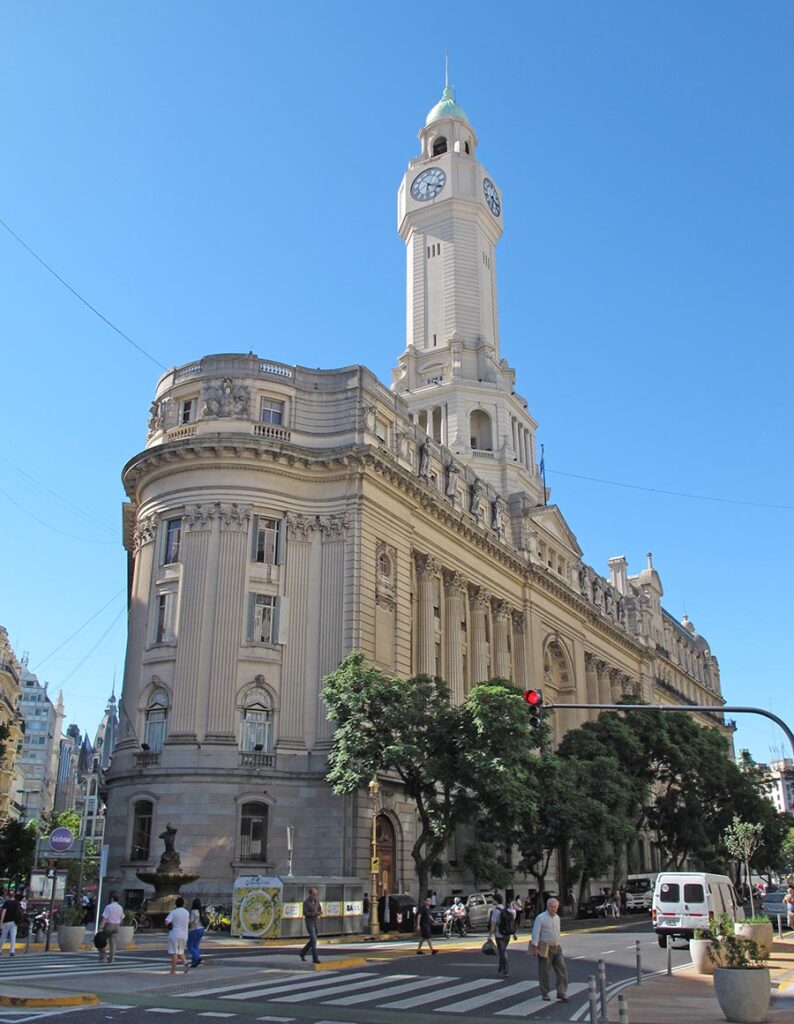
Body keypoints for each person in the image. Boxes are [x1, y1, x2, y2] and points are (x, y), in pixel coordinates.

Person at [531, 897, 568, 1002]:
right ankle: (545, 993)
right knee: (544, 972)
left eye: (555, 907)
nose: (553, 909)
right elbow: (535, 933)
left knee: (562, 970)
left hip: (556, 946)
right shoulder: (541, 918)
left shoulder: (557, 918)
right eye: (552, 907)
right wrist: (535, 947)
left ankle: (561, 992)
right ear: (547, 907)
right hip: (545, 947)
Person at [488, 892, 513, 977]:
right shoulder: (506, 909)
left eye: (493, 900)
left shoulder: (495, 911)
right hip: (507, 933)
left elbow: (493, 924)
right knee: (502, 951)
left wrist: (490, 935)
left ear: (496, 900)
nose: (492, 901)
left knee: (503, 952)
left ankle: (505, 970)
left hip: (499, 934)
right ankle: (500, 969)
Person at [165, 896, 190, 975]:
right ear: (183, 904)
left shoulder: (174, 912)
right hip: (184, 935)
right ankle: (185, 964)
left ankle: (173, 971)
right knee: (181, 952)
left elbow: (166, 922)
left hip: (175, 934)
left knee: (174, 952)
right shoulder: (187, 912)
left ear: (176, 904)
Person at [99, 891, 124, 965]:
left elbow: (104, 918)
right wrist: (119, 924)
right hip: (116, 926)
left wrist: (101, 927)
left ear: (112, 899)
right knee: (113, 943)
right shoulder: (120, 907)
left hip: (108, 925)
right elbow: (122, 918)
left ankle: (103, 956)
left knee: (101, 941)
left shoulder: (109, 906)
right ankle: (111, 959)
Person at [299, 887, 322, 964]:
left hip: (316, 923)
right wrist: (313, 914)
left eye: (316, 894)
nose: (315, 896)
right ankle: (315, 958)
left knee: (313, 940)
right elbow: (305, 913)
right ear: (310, 894)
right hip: (310, 923)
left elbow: (320, 909)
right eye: (314, 894)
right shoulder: (306, 902)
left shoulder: (317, 901)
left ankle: (302, 953)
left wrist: (319, 913)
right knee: (314, 941)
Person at [0, 890, 23, 957]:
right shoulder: (17, 902)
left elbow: (4, 912)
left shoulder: (7, 903)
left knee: (3, 937)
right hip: (14, 922)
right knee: (13, 937)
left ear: (8, 895)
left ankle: (0, 950)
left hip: (6, 922)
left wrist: (1, 921)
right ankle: (12, 951)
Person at [186, 898, 205, 968]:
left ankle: (197, 957)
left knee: (189, 945)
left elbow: (191, 921)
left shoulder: (193, 911)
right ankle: (194, 962)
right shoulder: (201, 911)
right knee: (196, 946)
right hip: (201, 928)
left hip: (195, 929)